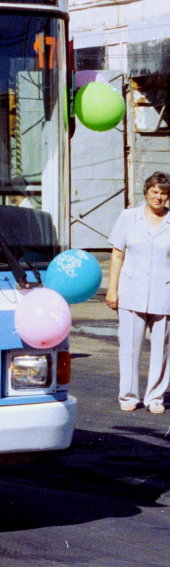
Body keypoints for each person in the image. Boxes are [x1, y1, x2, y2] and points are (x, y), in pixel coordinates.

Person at [105, 171, 170, 414]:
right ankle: (128, 396)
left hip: (164, 292)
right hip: (131, 292)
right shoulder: (128, 217)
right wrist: (112, 289)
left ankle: (155, 397)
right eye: (154, 191)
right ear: (146, 193)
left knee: (161, 348)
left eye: (163, 193)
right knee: (129, 347)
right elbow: (117, 254)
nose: (158, 197)